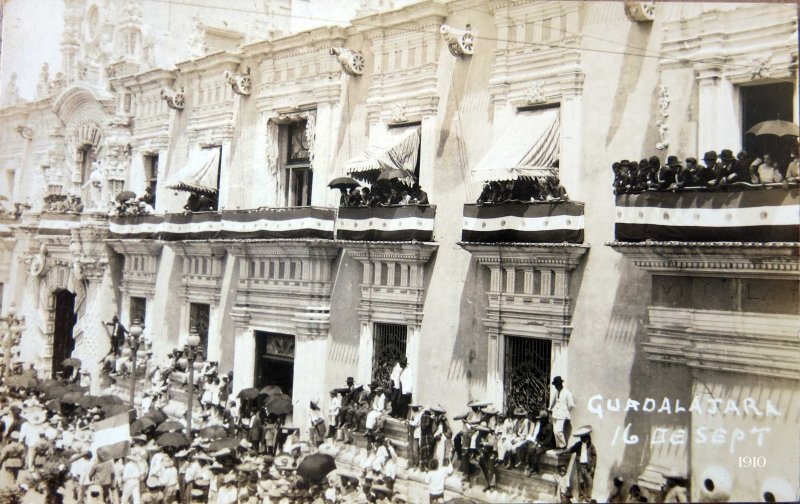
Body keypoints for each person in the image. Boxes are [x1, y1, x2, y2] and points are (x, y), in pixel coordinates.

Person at [561, 425, 596, 502]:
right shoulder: (578, 444)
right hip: (580, 466)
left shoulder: (591, 446)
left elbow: (594, 456)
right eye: (581, 437)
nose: (582, 439)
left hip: (587, 467)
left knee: (589, 481)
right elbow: (571, 449)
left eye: (584, 437)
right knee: (581, 481)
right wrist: (562, 452)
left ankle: (588, 497)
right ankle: (581, 496)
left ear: (587, 437)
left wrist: (592, 466)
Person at [525, 410, 556, 476]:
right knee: (531, 449)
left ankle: (534, 469)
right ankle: (529, 466)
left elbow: (548, 440)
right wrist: (536, 442)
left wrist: (539, 444)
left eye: (541, 419)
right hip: (541, 444)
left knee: (538, 452)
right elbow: (538, 436)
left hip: (547, 445)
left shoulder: (549, 427)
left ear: (545, 419)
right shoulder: (542, 426)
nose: (540, 421)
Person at [549, 376, 574, 449]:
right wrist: (550, 408)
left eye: (557, 385)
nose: (556, 387)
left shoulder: (567, 393)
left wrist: (566, 412)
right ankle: (558, 447)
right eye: (556, 385)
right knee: (555, 432)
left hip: (562, 415)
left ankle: (563, 446)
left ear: (560, 384)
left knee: (558, 431)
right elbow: (554, 401)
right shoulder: (557, 392)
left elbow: (571, 405)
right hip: (555, 414)